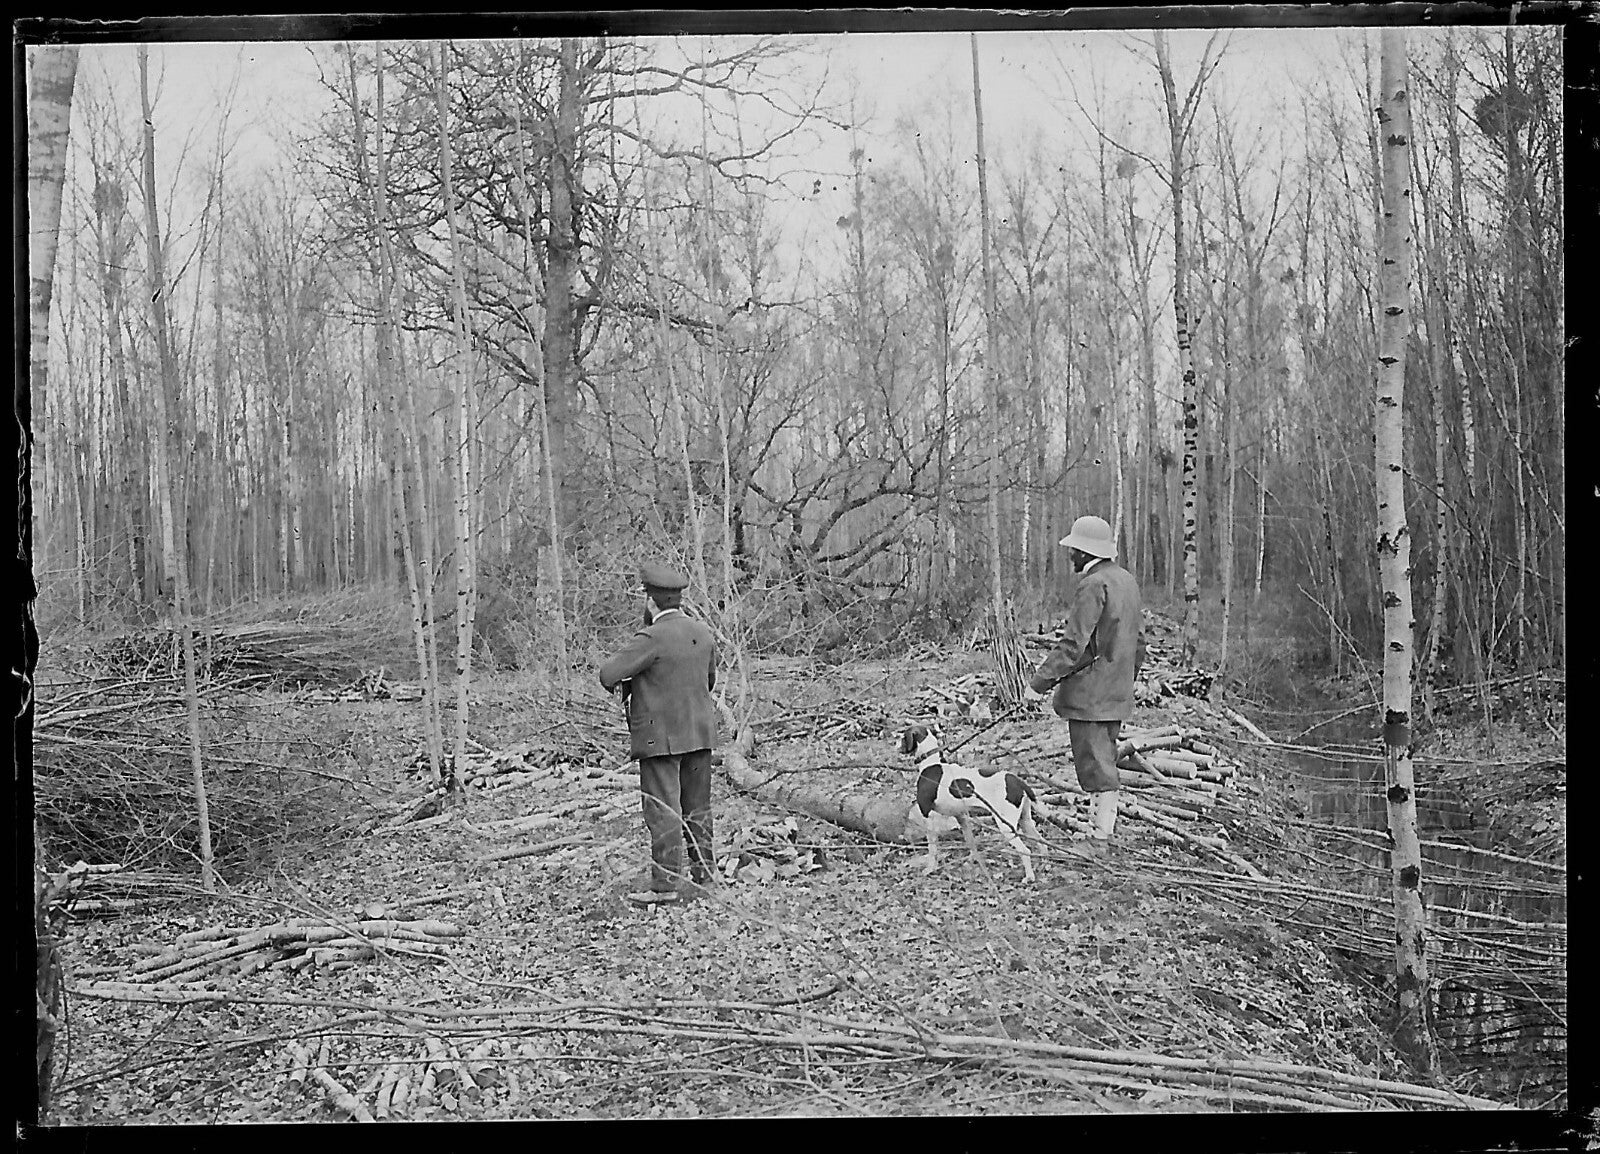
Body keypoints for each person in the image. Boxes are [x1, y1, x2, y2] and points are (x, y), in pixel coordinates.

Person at [599, 562, 720, 906]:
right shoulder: (703, 632)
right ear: (678, 600)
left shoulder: (651, 638)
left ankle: (665, 884)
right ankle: (705, 876)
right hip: (700, 735)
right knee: (698, 807)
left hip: (660, 741)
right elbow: (708, 681)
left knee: (663, 809)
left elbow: (608, 674)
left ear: (651, 602)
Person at [1026, 515, 1145, 857]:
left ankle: (1099, 840)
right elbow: (1139, 643)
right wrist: (1124, 680)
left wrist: (1038, 684)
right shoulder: (1126, 580)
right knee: (1102, 761)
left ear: (1084, 551)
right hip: (1114, 693)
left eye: (1073, 550)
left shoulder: (1093, 585)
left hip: (1091, 696)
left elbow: (1072, 645)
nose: (1070, 556)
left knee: (1096, 768)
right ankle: (1099, 833)